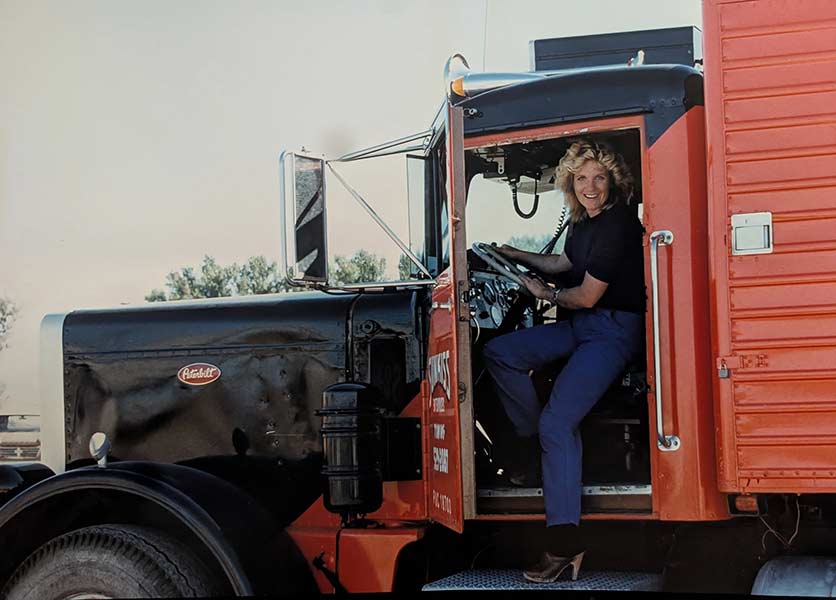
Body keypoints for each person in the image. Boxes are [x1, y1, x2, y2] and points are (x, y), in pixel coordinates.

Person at [483, 138, 645, 583]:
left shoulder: (617, 225)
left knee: (559, 424)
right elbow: (563, 262)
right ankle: (539, 448)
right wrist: (514, 255)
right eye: (581, 178)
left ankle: (563, 545)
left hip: (612, 331)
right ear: (570, 183)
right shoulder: (583, 220)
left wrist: (546, 294)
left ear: (613, 180)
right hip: (581, 326)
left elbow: (585, 294)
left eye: (599, 177)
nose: (590, 186)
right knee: (501, 352)